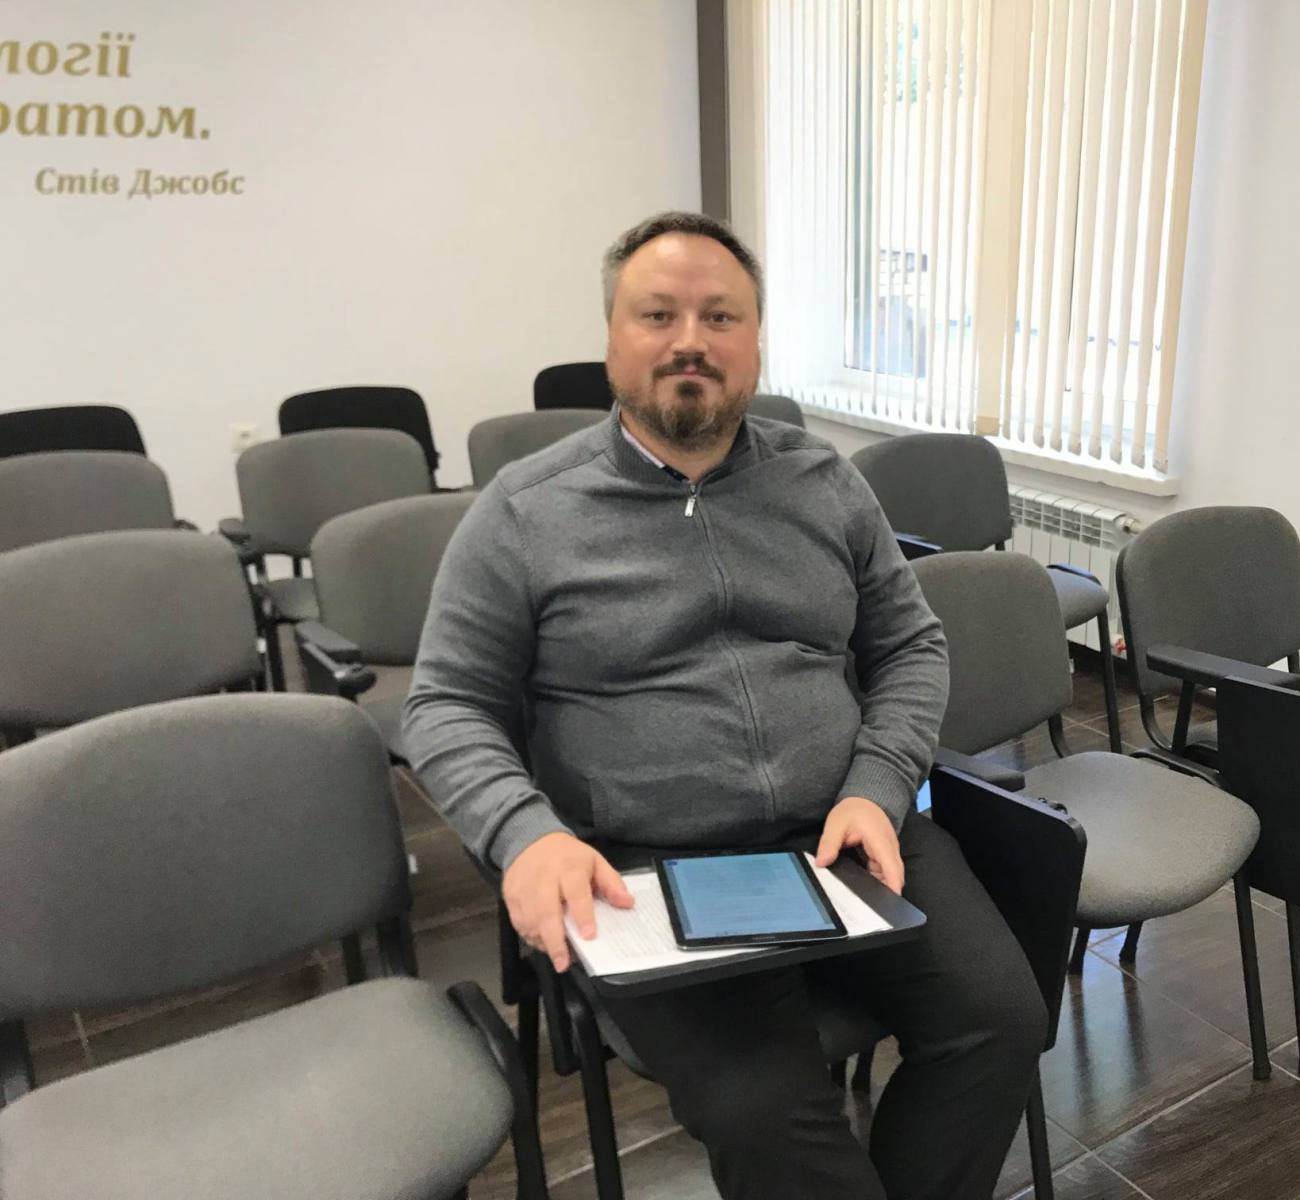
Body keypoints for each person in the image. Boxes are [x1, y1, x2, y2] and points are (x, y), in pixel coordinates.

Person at [403, 211, 1046, 1199]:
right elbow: (445, 704)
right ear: (612, 338)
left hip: (842, 830)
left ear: (755, 339)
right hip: (649, 866)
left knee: (1002, 1022)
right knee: (764, 1114)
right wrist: (526, 836)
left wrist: (877, 786)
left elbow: (910, 645)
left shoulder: (824, 482)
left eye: (720, 316)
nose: (689, 341)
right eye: (657, 314)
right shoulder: (524, 513)